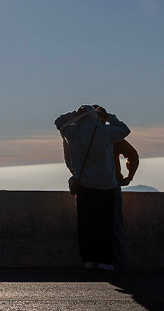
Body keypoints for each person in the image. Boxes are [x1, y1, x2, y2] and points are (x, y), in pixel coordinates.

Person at [56, 104, 131, 271]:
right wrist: (108, 115)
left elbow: (58, 121)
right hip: (106, 186)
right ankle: (105, 261)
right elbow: (124, 130)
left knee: (86, 224)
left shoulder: (73, 133)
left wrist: (74, 114)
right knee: (105, 224)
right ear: (95, 116)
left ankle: (88, 259)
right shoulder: (105, 132)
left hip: (84, 186)